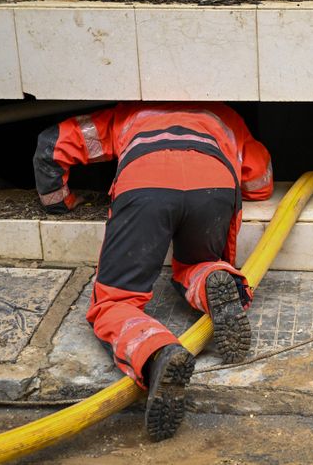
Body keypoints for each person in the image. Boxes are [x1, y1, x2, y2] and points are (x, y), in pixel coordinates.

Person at [33, 102, 273, 441]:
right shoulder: (224, 115)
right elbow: (260, 183)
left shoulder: (128, 112)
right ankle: (214, 282)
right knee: (197, 263)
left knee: (113, 303)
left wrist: (58, 201)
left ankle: (156, 353)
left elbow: (53, 143)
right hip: (214, 186)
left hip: (145, 183)